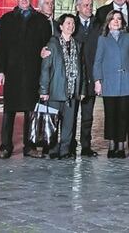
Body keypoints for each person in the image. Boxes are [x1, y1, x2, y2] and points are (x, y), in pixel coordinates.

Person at [0, 0, 53, 159]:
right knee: (9, 110)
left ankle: (30, 146)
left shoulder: (41, 20)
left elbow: (46, 45)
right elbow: (1, 47)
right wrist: (0, 71)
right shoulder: (6, 19)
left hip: (33, 71)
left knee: (31, 110)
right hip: (12, 71)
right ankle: (6, 146)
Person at [94, 0, 129, 155]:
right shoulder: (103, 39)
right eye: (113, 19)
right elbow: (97, 61)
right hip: (109, 83)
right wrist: (97, 81)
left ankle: (121, 146)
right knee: (110, 115)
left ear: (122, 22)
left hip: (126, 82)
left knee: (124, 115)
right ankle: (111, 144)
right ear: (108, 22)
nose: (116, 22)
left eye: (119, 19)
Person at [40, 14, 88, 158]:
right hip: (55, 90)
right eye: (67, 23)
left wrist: (83, 89)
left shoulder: (78, 45)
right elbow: (45, 68)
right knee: (53, 121)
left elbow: (82, 69)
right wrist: (44, 89)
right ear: (60, 26)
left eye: (73, 23)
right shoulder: (52, 44)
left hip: (72, 91)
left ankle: (65, 150)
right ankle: (53, 149)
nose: (71, 26)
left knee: (69, 123)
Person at [73, 0, 103, 157]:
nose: (89, 8)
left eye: (91, 5)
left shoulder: (98, 26)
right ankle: (69, 144)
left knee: (87, 116)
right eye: (85, 5)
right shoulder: (71, 23)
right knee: (69, 115)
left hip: (91, 76)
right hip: (73, 77)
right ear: (78, 7)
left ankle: (86, 146)